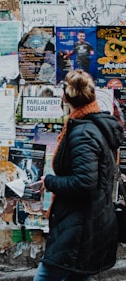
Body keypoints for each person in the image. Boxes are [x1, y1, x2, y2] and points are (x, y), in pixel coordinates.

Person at [33, 69, 124, 281]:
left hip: (79, 225)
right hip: (89, 221)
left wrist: (50, 181)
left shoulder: (83, 133)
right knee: (77, 275)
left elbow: (84, 183)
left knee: (46, 275)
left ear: (65, 97)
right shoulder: (92, 125)